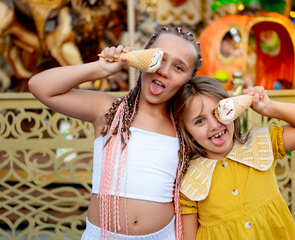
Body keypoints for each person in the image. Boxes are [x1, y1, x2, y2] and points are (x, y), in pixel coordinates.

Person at [28, 26, 202, 240]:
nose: (164, 71)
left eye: (178, 68)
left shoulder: (185, 125)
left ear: (188, 81)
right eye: (158, 58)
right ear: (141, 58)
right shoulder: (109, 110)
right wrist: (102, 69)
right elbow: (39, 86)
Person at [171, 76, 295, 239]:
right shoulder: (190, 182)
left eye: (219, 112)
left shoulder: (260, 145)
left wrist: (268, 107)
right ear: (188, 134)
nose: (214, 125)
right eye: (199, 121)